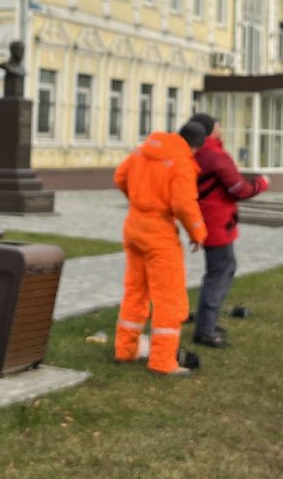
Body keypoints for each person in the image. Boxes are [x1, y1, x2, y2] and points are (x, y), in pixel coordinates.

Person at [113, 121, 209, 376]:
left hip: (133, 226)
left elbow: (120, 176)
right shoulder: (182, 162)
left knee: (135, 291)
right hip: (160, 234)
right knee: (169, 298)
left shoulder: (144, 150)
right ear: (196, 147)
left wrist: (139, 200)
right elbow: (183, 204)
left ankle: (125, 349)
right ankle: (163, 361)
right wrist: (198, 233)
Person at [186, 113, 269, 348]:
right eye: (217, 126)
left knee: (225, 268)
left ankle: (208, 322)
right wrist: (262, 183)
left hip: (208, 222)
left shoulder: (197, 154)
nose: (220, 128)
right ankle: (206, 330)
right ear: (210, 131)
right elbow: (239, 188)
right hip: (217, 224)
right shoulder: (215, 155)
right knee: (219, 274)